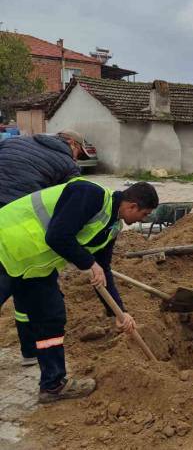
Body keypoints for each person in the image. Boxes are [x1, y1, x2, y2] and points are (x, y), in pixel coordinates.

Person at [0, 178, 159, 403]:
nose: (144, 220)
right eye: (144, 214)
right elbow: (56, 235)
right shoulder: (90, 194)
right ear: (132, 206)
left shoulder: (111, 227)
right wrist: (88, 262)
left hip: (34, 267)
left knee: (51, 318)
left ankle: (52, 385)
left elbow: (103, 271)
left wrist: (119, 313)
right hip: (5, 246)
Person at [0, 129, 85, 366]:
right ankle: (35, 356)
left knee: (21, 284)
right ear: (70, 143)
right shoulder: (67, 165)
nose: (77, 157)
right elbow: (75, 205)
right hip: (17, 227)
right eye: (79, 150)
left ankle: (31, 353)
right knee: (32, 285)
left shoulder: (16, 143)